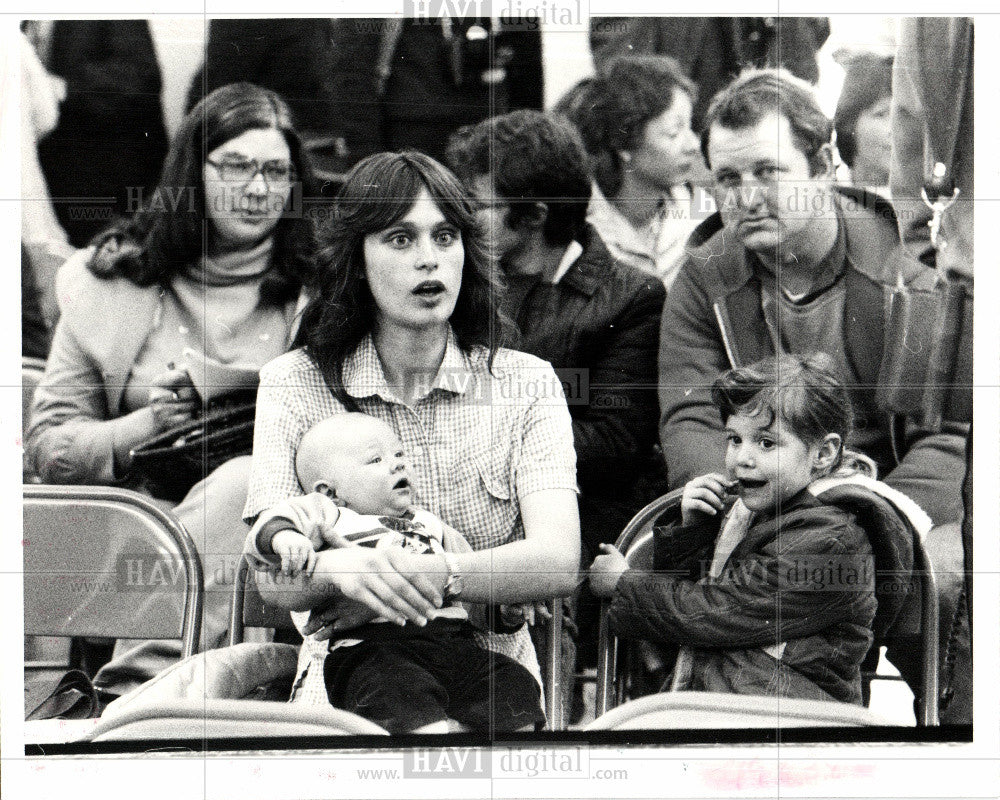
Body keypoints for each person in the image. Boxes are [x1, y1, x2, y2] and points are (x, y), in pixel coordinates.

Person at [657, 68, 967, 718]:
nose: (745, 199)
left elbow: (950, 431)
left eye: (768, 173)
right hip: (759, 502)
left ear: (825, 163)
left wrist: (872, 520)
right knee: (665, 578)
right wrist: (764, 503)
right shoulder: (704, 278)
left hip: (893, 501)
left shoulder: (909, 275)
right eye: (728, 179)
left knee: (957, 587)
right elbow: (690, 415)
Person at [242, 151, 581, 723]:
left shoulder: (526, 382)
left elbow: (557, 559)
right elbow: (273, 580)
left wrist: (443, 576)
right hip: (352, 684)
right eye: (400, 239)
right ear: (357, 259)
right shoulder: (292, 383)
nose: (430, 261)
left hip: (491, 676)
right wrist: (343, 572)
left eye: (445, 236)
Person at [25, 82, 319, 697]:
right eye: (235, 167)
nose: (259, 189)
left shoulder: (320, 284)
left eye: (276, 171)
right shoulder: (118, 279)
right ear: (194, 170)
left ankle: (130, 694)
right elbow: (48, 449)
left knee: (242, 482)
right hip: (130, 530)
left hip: (279, 531)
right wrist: (150, 423)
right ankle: (142, 695)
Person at [590, 354, 877, 704]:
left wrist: (624, 584)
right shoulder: (759, 511)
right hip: (734, 702)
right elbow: (695, 611)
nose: (742, 457)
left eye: (766, 443)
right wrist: (693, 531)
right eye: (734, 439)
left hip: (793, 718)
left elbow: (715, 611)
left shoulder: (831, 538)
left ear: (823, 453)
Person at [245, 413, 543, 733]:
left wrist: (506, 611)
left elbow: (469, 588)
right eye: (376, 459)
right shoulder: (331, 516)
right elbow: (269, 526)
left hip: (453, 645)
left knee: (513, 681)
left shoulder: (431, 525)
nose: (398, 464)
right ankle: (429, 744)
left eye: (400, 455)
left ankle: (471, 737)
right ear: (329, 491)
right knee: (392, 690)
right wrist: (286, 538)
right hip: (373, 649)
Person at [554, 55, 708, 289]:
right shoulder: (580, 232)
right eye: (674, 133)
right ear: (625, 143)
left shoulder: (701, 213)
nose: (693, 145)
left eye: (691, 127)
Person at [833, 53, 894, 191]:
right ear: (849, 123)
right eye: (881, 114)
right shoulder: (827, 199)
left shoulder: (933, 205)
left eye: (903, 116)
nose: (896, 129)